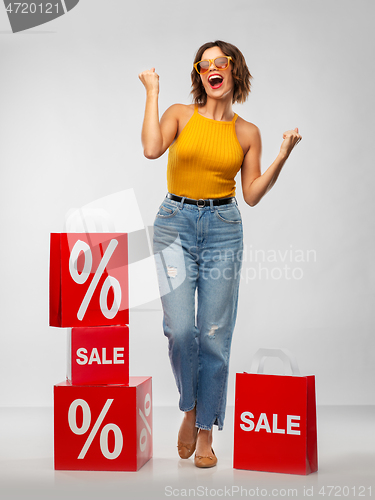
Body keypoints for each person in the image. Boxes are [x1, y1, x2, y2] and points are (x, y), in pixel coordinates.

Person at [138, 40, 301, 468]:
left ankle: (206, 428)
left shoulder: (247, 133)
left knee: (213, 334)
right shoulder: (178, 113)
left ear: (233, 70)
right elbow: (152, 149)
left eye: (220, 61)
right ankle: (191, 407)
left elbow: (250, 195)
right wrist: (152, 92)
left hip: (223, 229)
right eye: (204, 63)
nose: (212, 68)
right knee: (180, 330)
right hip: (174, 222)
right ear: (199, 74)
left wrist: (281, 157)